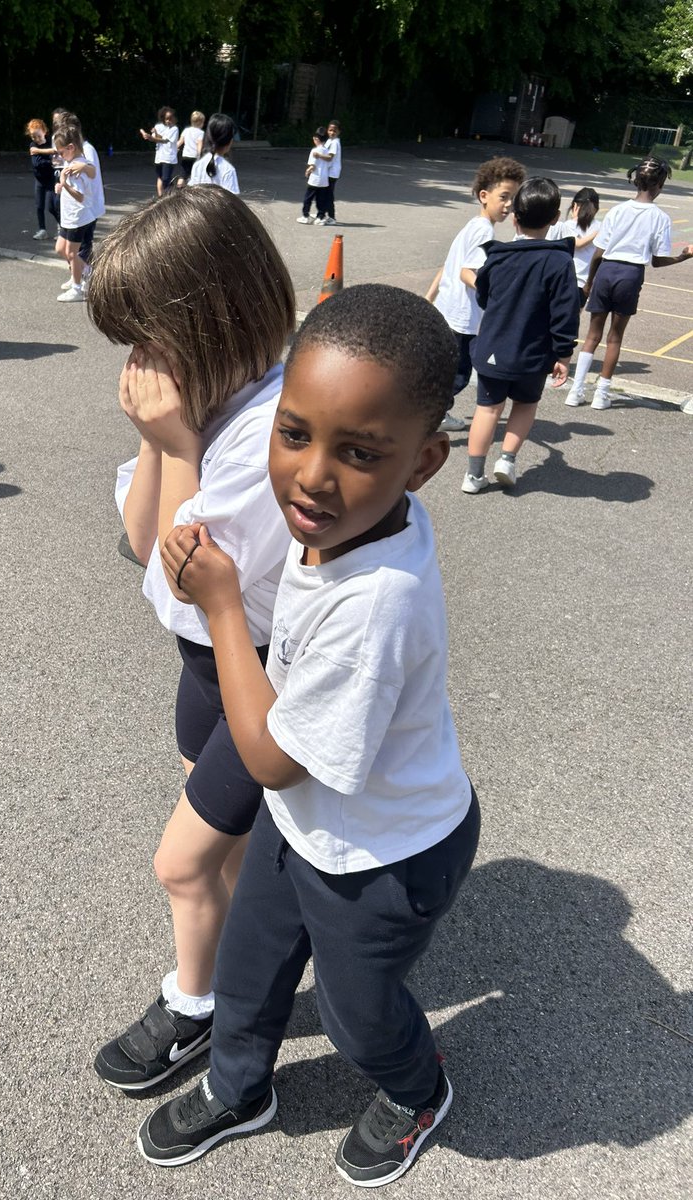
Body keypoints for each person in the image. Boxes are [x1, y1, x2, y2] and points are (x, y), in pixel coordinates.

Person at [138, 284, 480, 1188]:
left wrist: (216, 605)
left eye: (360, 452)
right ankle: (240, 1086)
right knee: (250, 970)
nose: (314, 476)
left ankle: (415, 1089)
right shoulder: (346, 522)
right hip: (310, 824)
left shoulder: (382, 604)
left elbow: (271, 759)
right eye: (295, 434)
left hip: (387, 854)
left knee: (353, 1011)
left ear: (426, 461)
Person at [86, 187, 296, 1092]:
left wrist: (177, 438)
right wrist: (162, 439)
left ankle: (197, 1004)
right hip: (203, 668)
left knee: (179, 862)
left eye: (147, 334)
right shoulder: (206, 401)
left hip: (255, 671)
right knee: (228, 851)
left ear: (209, 317)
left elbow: (179, 576)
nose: (138, 359)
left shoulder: (265, 430)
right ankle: (241, 968)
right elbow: (141, 542)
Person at [460, 178, 578, 493]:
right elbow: (566, 313)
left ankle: (473, 476)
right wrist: (563, 355)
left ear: (515, 217)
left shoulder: (497, 256)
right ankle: (507, 460)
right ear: (555, 219)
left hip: (492, 349)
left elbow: (484, 297)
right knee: (525, 405)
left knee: (487, 409)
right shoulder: (560, 261)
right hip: (533, 353)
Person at [565, 157, 693, 410]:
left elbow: (598, 252)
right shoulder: (660, 217)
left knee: (592, 335)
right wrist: (683, 256)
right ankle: (601, 395)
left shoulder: (617, 211)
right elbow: (657, 261)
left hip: (605, 270)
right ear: (660, 185)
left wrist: (590, 281)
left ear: (636, 181)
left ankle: (576, 390)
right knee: (614, 338)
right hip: (631, 274)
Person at [425, 156, 526, 432]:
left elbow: (449, 266)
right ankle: (427, 418)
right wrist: (499, 297)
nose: (509, 205)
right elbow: (466, 273)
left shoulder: (473, 225)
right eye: (504, 196)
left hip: (450, 311)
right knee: (458, 374)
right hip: (464, 319)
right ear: (484, 195)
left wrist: (429, 297)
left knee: (445, 369)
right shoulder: (483, 230)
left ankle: (432, 413)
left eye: (513, 198)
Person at [52, 110, 106, 278]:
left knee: (79, 249)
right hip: (76, 208)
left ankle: (84, 280)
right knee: (68, 250)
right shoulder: (72, 151)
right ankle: (80, 277)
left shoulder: (86, 150)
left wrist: (82, 168)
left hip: (86, 208)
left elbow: (91, 171)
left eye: (62, 127)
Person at [52, 126, 97, 302]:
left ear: (70, 147)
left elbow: (79, 196)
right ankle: (88, 272)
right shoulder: (74, 163)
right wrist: (61, 187)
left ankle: (78, 289)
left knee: (72, 253)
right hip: (69, 217)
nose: (59, 156)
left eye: (61, 152)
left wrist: (65, 184)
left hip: (78, 217)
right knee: (60, 248)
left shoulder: (77, 168)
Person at [548, 187, 601, 316]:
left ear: (575, 206)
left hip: (565, 280)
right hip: (585, 283)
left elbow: (577, 244)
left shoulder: (567, 225)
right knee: (572, 323)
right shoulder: (600, 227)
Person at [25, 118, 59, 240]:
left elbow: (56, 155)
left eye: (38, 136)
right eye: (33, 137)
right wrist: (50, 160)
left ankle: (61, 227)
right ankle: (42, 229)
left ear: (44, 131)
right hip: (39, 180)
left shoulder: (51, 142)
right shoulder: (32, 145)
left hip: (51, 180)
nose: (36, 140)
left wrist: (42, 154)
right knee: (39, 206)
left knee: (52, 206)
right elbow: (37, 163)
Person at [189, 113, 239, 193]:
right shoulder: (228, 170)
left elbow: (191, 193)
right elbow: (232, 201)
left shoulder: (197, 165)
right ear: (230, 142)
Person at [297, 126, 333, 225]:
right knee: (321, 200)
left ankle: (306, 216)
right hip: (324, 180)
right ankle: (320, 217)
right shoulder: (327, 151)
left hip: (314, 179)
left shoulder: (314, 151)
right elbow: (329, 164)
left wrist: (308, 170)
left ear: (316, 139)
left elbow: (313, 165)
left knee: (307, 198)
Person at [140, 107, 179, 197]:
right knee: (160, 178)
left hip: (169, 157)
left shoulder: (174, 129)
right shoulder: (158, 126)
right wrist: (152, 135)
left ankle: (173, 195)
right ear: (163, 119)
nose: (169, 121)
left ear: (174, 118)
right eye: (166, 119)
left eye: (170, 118)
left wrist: (152, 138)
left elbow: (165, 140)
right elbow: (158, 138)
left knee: (166, 179)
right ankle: (161, 198)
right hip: (159, 157)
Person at [177, 111, 205, 186]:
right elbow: (199, 144)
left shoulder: (186, 130)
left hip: (185, 155)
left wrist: (174, 149)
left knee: (183, 174)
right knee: (194, 175)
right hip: (194, 156)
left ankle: (178, 189)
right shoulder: (200, 133)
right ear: (200, 122)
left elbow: (180, 142)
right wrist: (199, 155)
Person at [324, 119, 342, 225]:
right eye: (330, 130)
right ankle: (322, 213)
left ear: (339, 132)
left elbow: (330, 157)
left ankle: (332, 217)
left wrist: (317, 156)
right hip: (327, 172)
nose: (332, 132)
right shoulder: (329, 141)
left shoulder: (335, 142)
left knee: (328, 195)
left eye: (334, 131)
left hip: (332, 173)